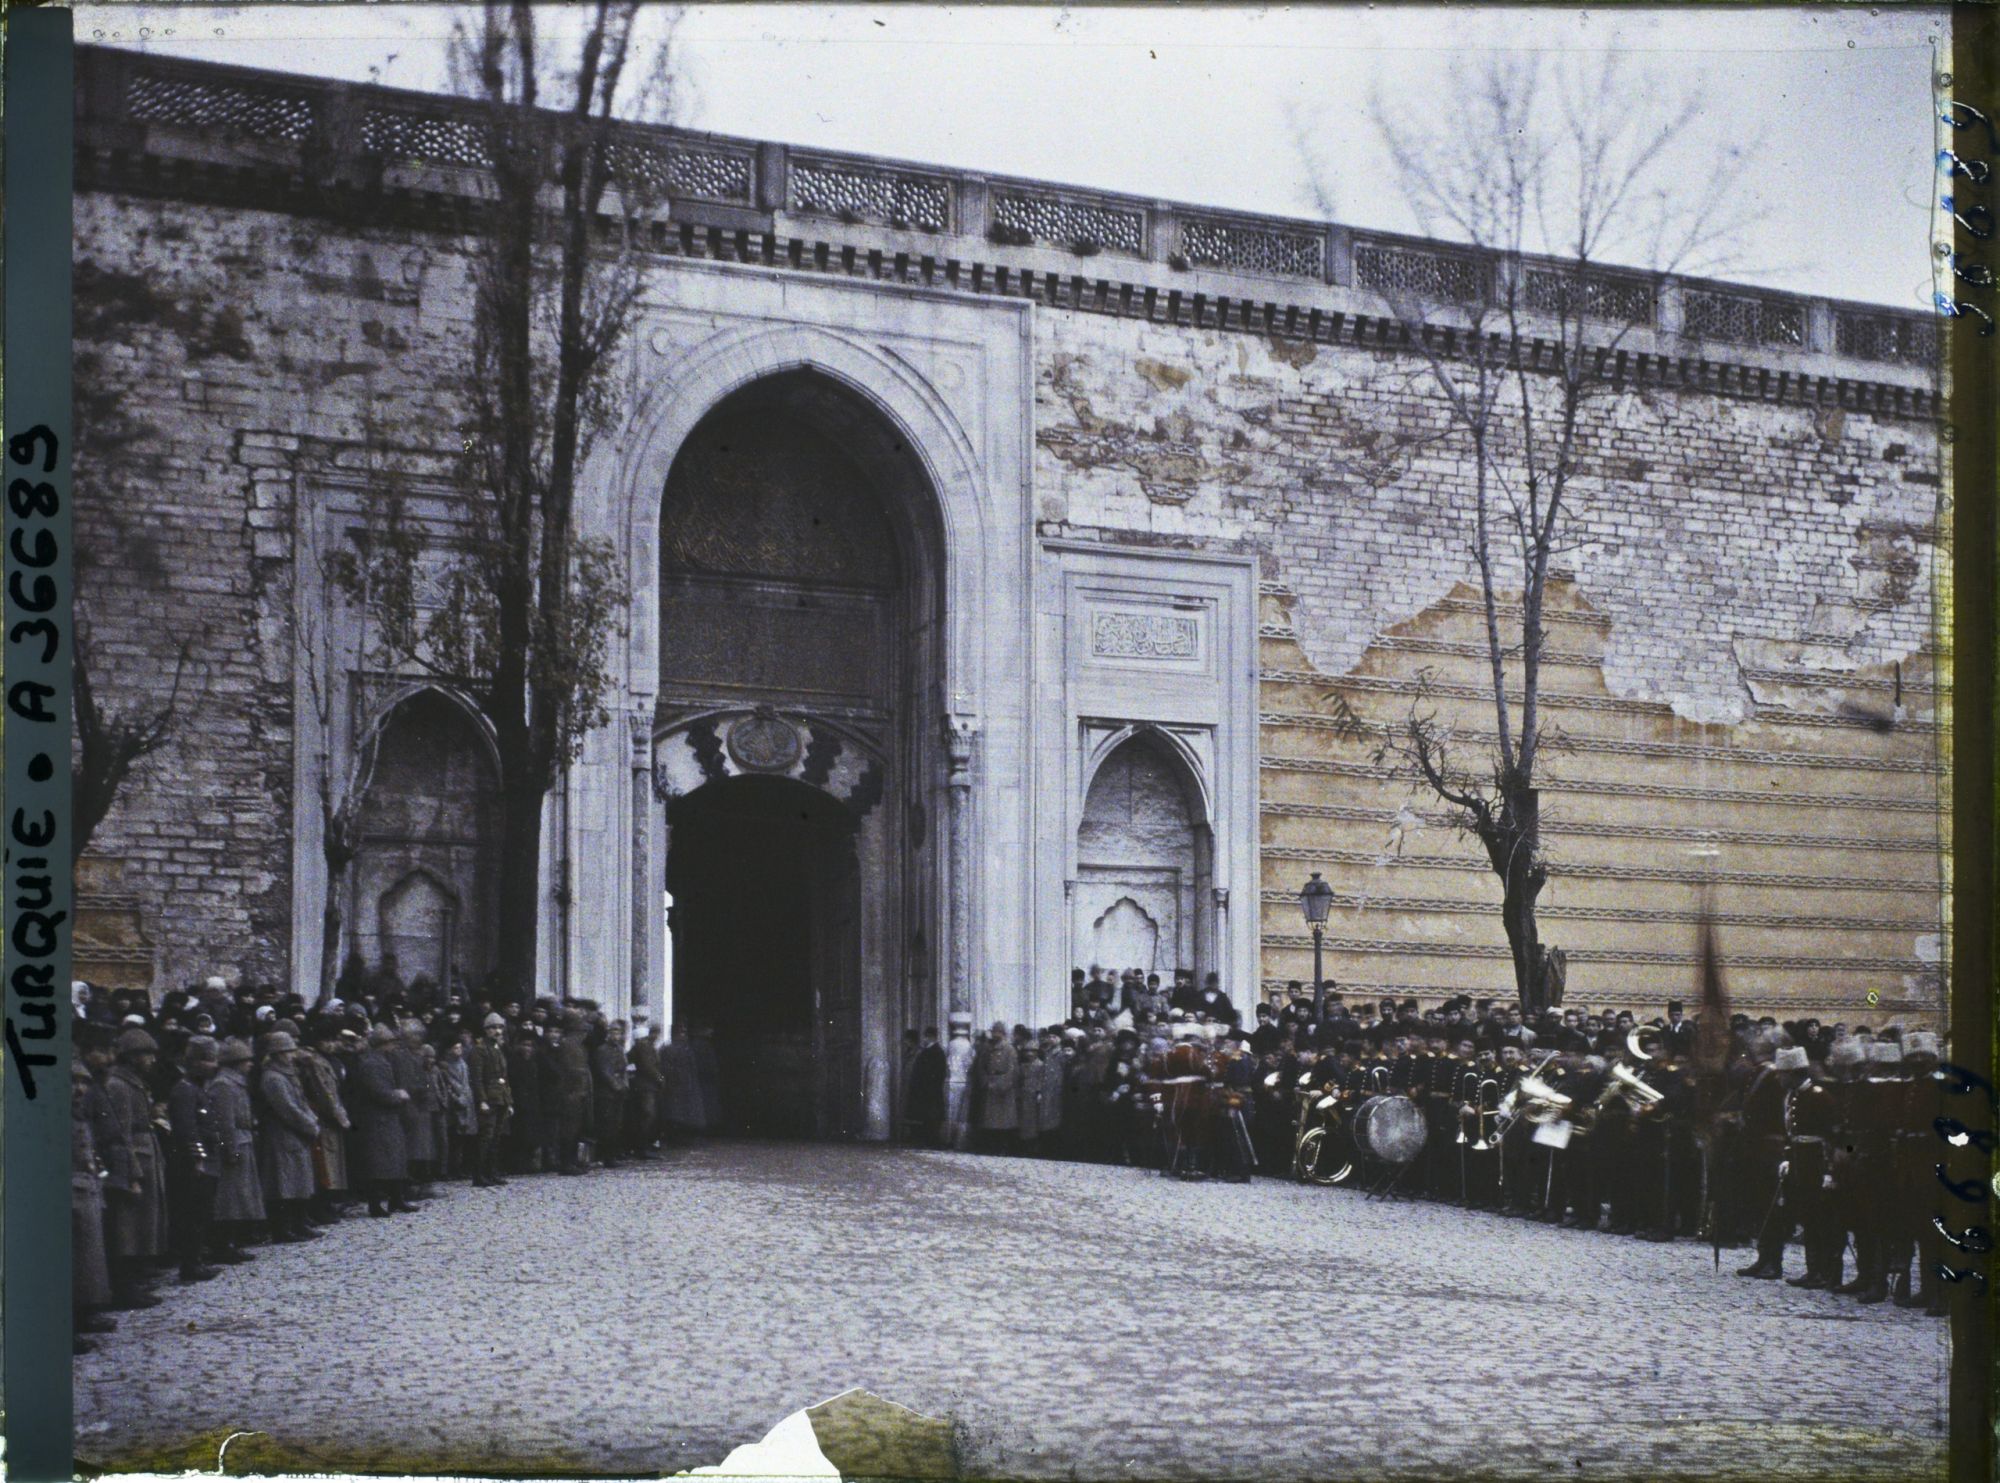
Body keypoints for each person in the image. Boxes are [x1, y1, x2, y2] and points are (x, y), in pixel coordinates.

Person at [101, 1027, 169, 1308]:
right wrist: (130, 1173)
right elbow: (121, 1133)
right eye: (146, 1054)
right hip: (134, 1160)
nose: (152, 1060)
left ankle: (136, 1280)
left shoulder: (133, 1082)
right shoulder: (118, 1085)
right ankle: (126, 1287)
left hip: (146, 1154)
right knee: (127, 1227)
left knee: (142, 1223)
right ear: (131, 1057)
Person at [255, 1030, 323, 1243]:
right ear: (277, 1054)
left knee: (298, 1180)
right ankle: (284, 1227)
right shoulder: (273, 1078)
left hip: (295, 1134)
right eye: (287, 1052)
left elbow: (300, 1103)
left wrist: (311, 1120)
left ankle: (299, 1222)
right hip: (282, 1135)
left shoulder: (288, 1074)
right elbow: (287, 1108)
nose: (292, 1055)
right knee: (283, 1183)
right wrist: (309, 1124)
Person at [208, 1037, 267, 1254]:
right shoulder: (223, 1085)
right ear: (236, 1062)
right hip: (236, 1144)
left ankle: (234, 1239)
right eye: (246, 1060)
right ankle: (225, 1243)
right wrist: (230, 1149)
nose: (250, 1064)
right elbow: (225, 1122)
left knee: (241, 1195)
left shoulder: (234, 1083)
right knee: (231, 1198)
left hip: (244, 1140)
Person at [350, 1025, 415, 1216]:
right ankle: (376, 1204)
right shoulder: (371, 1064)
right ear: (383, 1044)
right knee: (379, 1165)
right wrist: (398, 1096)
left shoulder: (379, 1061)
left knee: (394, 1161)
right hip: (377, 1119)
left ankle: (396, 1199)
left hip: (386, 1118)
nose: (394, 1046)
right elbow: (379, 1092)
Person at [468, 1013, 515, 1186]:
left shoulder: (497, 1049)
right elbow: (477, 1078)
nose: (497, 1031)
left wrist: (509, 1101)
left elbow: (504, 1077)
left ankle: (491, 1172)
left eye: (500, 1027)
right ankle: (479, 1175)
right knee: (485, 1137)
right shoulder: (479, 1050)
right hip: (489, 1098)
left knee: (496, 1137)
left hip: (500, 1098)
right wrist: (482, 1099)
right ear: (486, 1030)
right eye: (493, 1028)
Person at [592, 1018, 630, 1168]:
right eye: (613, 1032)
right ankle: (606, 1156)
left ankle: (612, 1154)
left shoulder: (620, 1050)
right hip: (606, 1092)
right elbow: (604, 1071)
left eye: (619, 1032)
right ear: (608, 1033)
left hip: (619, 1092)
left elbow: (624, 1069)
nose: (616, 1035)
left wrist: (625, 1085)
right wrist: (616, 1086)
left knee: (616, 1124)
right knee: (606, 1124)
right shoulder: (602, 1050)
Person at [905, 1026, 948, 1147]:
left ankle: (933, 1140)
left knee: (932, 1116)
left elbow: (939, 1072)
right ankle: (926, 1139)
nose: (923, 1039)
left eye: (926, 1036)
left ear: (931, 1037)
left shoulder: (937, 1052)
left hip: (931, 1090)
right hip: (924, 1089)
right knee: (925, 1115)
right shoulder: (927, 1051)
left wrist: (929, 1084)